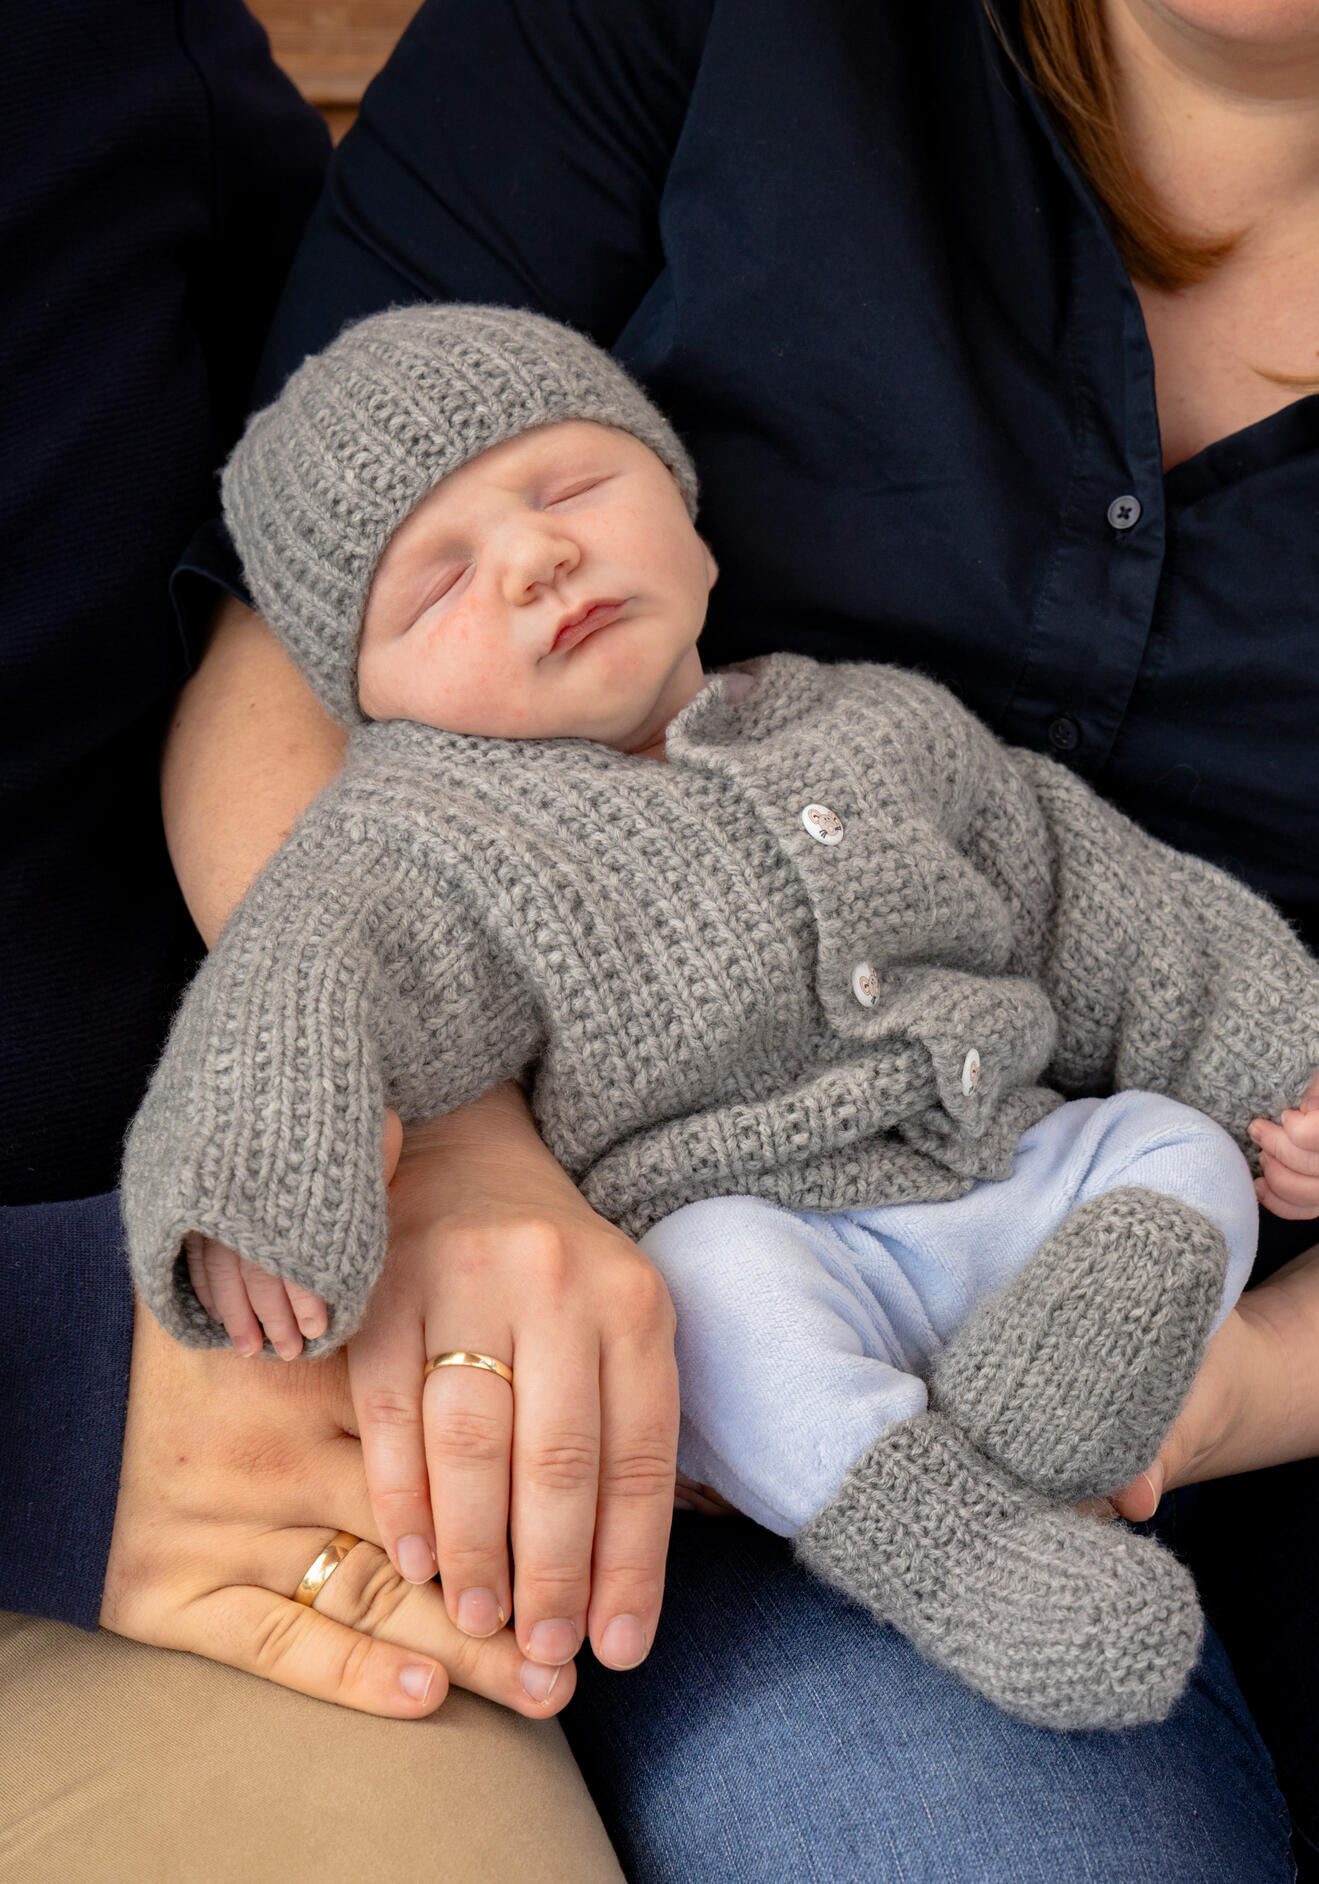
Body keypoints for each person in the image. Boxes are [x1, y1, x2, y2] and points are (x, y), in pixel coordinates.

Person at [152, 0, 1319, 1876]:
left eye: (572, 499)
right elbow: (284, 720)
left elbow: (1113, 906)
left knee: (1171, 1162)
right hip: (707, 1305)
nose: (526, 565)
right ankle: (941, 1533)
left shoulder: (895, 749)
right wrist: (438, 1175)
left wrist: (1239, 1375)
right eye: (452, 570)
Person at [0, 4, 625, 1877]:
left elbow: (325, 592)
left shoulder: (104, 61)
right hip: (132, 1429)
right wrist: (57, 1394)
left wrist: (445, 1128)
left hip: (246, 1454)